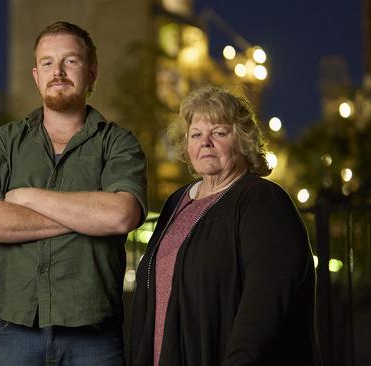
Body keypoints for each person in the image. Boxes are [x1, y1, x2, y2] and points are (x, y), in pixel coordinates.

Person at [0, 21, 147, 365]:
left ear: (92, 73)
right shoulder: (3, 142)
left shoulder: (118, 143)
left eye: (70, 61)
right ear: (36, 75)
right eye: (47, 63)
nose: (57, 72)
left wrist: (27, 196)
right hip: (12, 327)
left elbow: (121, 215)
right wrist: (85, 217)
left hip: (94, 333)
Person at [128, 85, 320, 366]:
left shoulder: (263, 201)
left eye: (218, 133)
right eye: (196, 134)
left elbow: (264, 308)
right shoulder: (177, 201)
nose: (205, 142)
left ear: (244, 141)